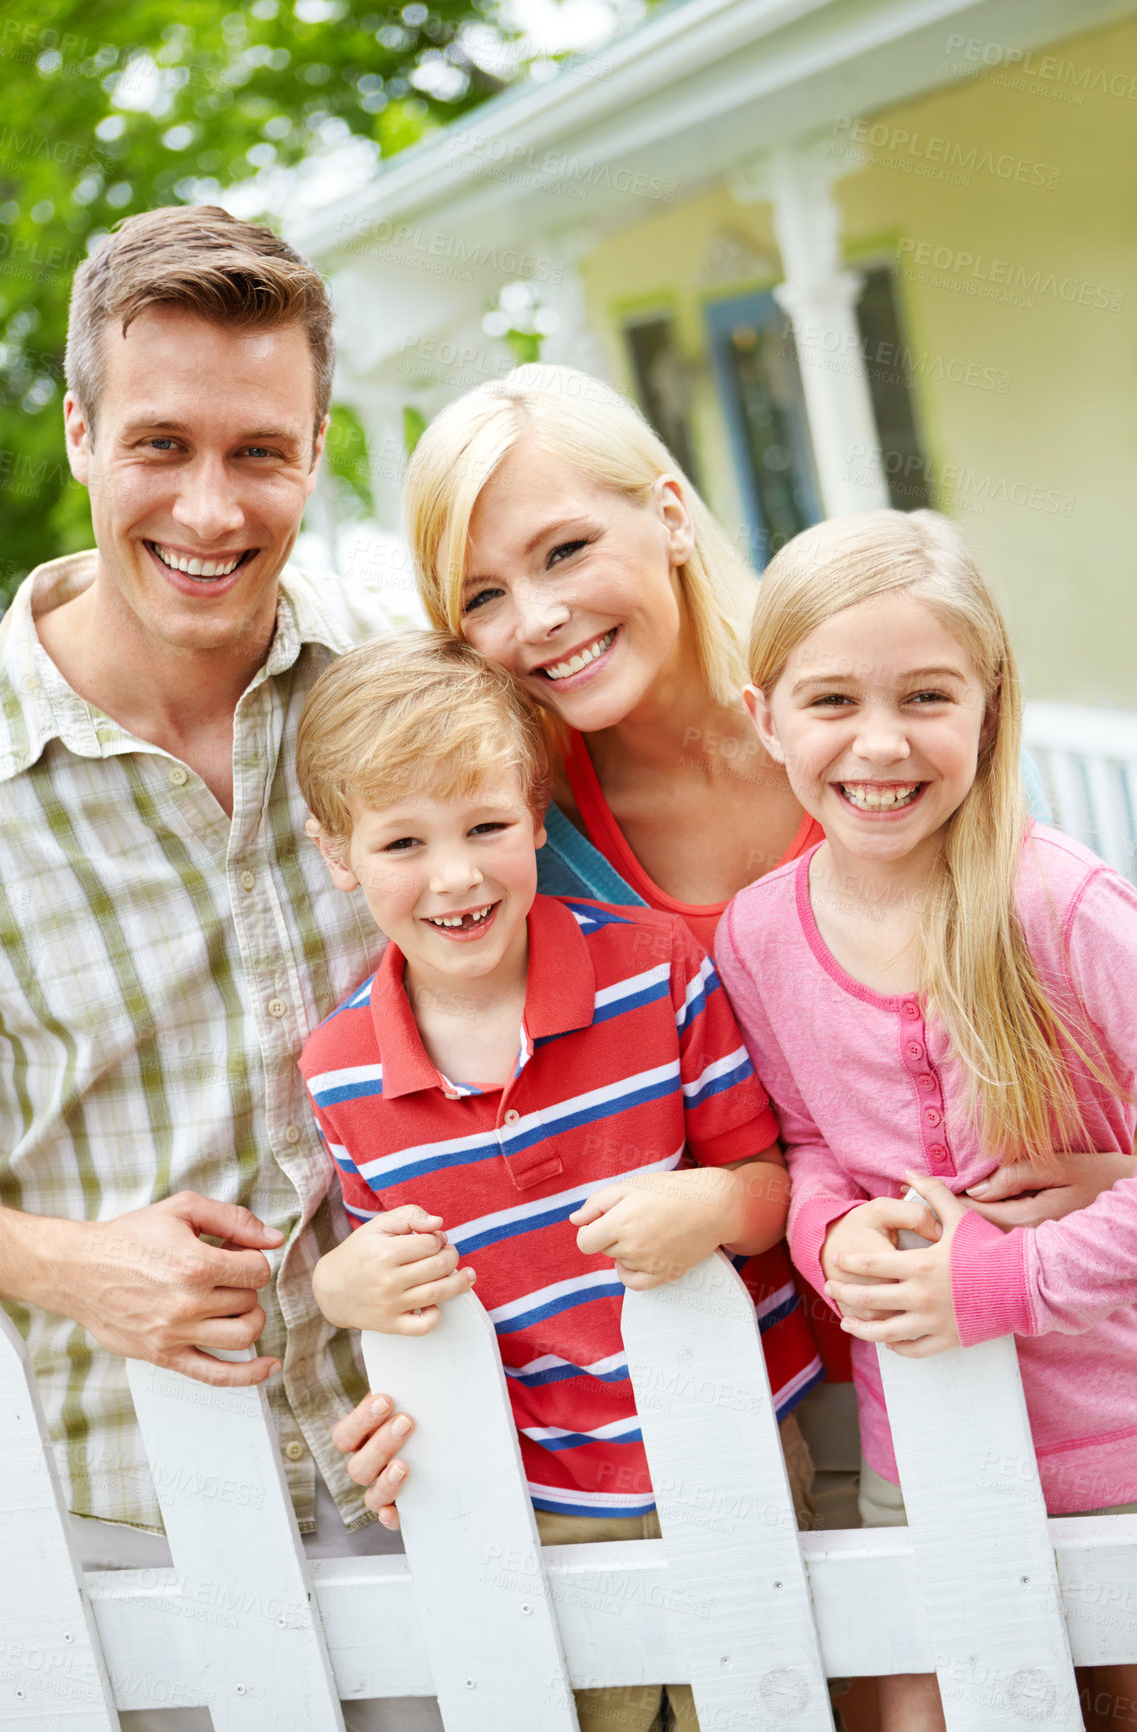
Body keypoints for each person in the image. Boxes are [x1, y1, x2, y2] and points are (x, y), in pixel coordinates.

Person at [338, 363, 1134, 1528]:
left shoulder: (856, 716)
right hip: (736, 1386)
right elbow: (440, 1107)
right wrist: (372, 1324)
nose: (537, 617)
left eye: (562, 552)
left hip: (1036, 1348)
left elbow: (1045, 979)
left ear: (665, 512)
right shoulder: (509, 833)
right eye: (481, 597)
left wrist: (1105, 1174)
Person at [0, 204, 438, 1732]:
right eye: (160, 444)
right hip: (121, 1540)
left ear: (314, 453)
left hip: (433, 1484)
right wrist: (68, 1263)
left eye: (260, 451)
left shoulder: (395, 695)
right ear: (80, 433)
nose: (209, 505)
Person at [295, 630, 797, 1732]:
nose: (457, 874)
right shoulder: (341, 1071)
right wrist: (340, 1289)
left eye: (485, 825)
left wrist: (709, 1206)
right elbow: (392, 1280)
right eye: (402, 842)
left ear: (533, 813)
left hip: (737, 1451)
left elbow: (770, 1190)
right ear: (338, 854)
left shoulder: (653, 969)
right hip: (535, 1504)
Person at [713, 508, 1137, 1732]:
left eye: (926, 696)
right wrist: (825, 1237)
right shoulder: (759, 935)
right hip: (927, 1457)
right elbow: (803, 1147)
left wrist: (1004, 1283)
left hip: (1116, 1449)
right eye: (831, 700)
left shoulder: (1060, 908)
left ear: (988, 706)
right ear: (764, 720)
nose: (879, 743)